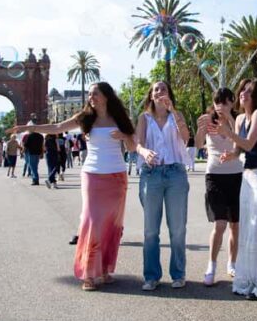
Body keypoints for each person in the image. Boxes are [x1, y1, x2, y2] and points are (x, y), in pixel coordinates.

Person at [11, 82, 135, 291]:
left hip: (116, 175)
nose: (91, 97)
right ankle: (88, 273)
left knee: (112, 225)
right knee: (92, 222)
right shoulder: (85, 118)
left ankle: (104, 270)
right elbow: (57, 128)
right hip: (93, 174)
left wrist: (124, 137)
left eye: (95, 93)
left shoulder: (120, 118)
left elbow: (132, 146)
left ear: (106, 96)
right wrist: (29, 128)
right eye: (89, 94)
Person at [210, 78, 257, 300]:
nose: (243, 94)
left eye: (248, 92)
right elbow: (240, 150)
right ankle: (249, 280)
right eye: (242, 90)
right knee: (248, 230)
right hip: (248, 178)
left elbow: (249, 143)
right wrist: (230, 154)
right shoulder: (241, 118)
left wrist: (227, 131)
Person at [134, 80, 191, 291]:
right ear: (151, 95)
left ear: (169, 94)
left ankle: (178, 274)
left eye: (164, 89)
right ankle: (151, 276)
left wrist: (174, 111)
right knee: (151, 230)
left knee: (177, 229)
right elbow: (137, 144)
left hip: (175, 173)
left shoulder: (177, 116)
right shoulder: (144, 118)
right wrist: (144, 152)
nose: (160, 92)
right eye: (156, 89)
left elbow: (185, 138)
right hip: (151, 174)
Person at [195, 87, 244, 287]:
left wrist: (230, 123)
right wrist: (200, 129)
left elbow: (241, 145)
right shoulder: (208, 121)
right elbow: (198, 144)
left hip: (236, 176)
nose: (220, 106)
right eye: (217, 102)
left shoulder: (239, 120)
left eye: (225, 102)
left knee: (235, 224)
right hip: (214, 175)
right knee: (220, 224)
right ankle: (211, 265)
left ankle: (232, 263)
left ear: (232, 103)